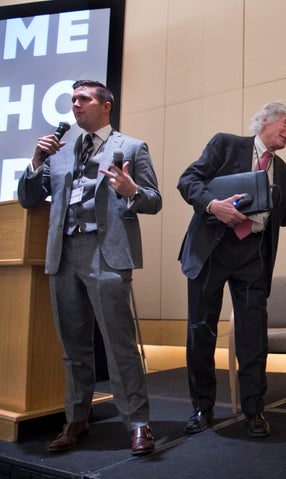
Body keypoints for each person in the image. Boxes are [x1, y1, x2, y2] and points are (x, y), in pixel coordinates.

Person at [17, 80, 162, 455]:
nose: (75, 105)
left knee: (118, 343)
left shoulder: (130, 147)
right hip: (63, 254)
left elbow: (154, 200)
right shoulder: (60, 152)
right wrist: (36, 161)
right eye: (73, 100)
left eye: (83, 99)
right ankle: (76, 417)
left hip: (106, 252)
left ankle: (139, 423)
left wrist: (132, 192)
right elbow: (29, 198)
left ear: (106, 106)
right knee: (73, 345)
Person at [177, 101, 286, 438]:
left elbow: (282, 215)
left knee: (253, 335)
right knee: (201, 330)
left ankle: (253, 411)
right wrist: (213, 206)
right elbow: (188, 180)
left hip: (253, 255)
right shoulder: (226, 145)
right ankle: (201, 408)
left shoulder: (283, 171)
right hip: (211, 249)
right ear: (264, 121)